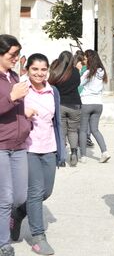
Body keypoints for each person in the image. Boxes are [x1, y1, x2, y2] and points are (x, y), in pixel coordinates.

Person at [11, 54, 66, 255]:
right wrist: (23, 114)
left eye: (43, 69)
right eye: (35, 69)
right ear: (27, 69)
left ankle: (17, 214)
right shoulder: (21, 89)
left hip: (49, 147)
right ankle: (38, 237)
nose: (39, 73)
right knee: (35, 191)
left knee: (46, 192)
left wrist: (62, 149)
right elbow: (10, 114)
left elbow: (57, 121)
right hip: (28, 148)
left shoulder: (54, 91)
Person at [0, 35, 32, 256]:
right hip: (1, 144)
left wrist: (27, 118)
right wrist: (12, 97)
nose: (16, 58)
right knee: (6, 197)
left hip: (19, 145)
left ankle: (8, 219)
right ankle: (3, 243)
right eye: (12, 54)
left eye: (18, 54)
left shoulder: (13, 76)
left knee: (20, 197)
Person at [48, 51, 81, 167]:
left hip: (60, 104)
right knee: (73, 130)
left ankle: (61, 158)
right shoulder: (76, 72)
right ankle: (74, 153)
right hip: (75, 104)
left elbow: (51, 85)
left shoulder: (56, 71)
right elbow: (77, 84)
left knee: (61, 131)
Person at [78, 50, 110, 163]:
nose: (84, 60)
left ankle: (83, 156)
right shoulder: (101, 72)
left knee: (82, 130)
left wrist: (78, 70)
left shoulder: (88, 73)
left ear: (90, 59)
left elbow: (79, 83)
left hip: (86, 102)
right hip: (98, 104)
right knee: (95, 129)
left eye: (85, 58)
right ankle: (105, 152)